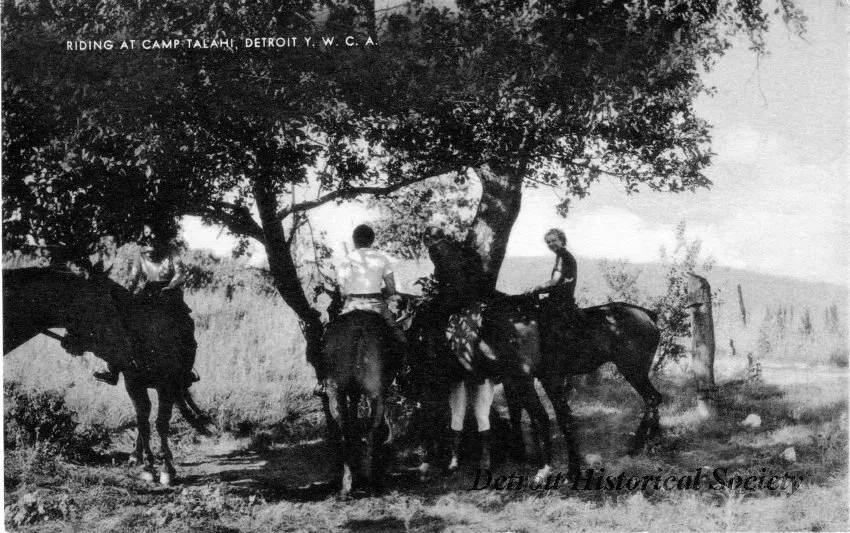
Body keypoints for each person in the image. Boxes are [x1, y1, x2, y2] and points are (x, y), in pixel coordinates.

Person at [92, 224, 196, 385]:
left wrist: (171, 286)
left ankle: (186, 371)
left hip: (170, 294)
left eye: (153, 233)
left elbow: (180, 272)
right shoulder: (140, 252)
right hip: (148, 293)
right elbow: (135, 275)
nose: (150, 237)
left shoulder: (171, 249)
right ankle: (113, 370)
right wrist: (128, 293)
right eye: (147, 233)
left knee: (186, 325)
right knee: (122, 321)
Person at [314, 224, 407, 397]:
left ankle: (323, 382)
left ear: (354, 241)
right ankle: (400, 376)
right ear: (372, 241)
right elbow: (392, 289)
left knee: (327, 338)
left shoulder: (347, 260)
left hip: (351, 305)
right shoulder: (382, 259)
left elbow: (342, 291)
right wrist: (384, 291)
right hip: (376, 305)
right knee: (399, 337)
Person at [525, 228, 578, 351]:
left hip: (560, 302)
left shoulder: (562, 257)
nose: (551, 244)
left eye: (554, 240)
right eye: (548, 242)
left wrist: (536, 287)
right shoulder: (563, 256)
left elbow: (554, 282)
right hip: (563, 300)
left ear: (562, 240)